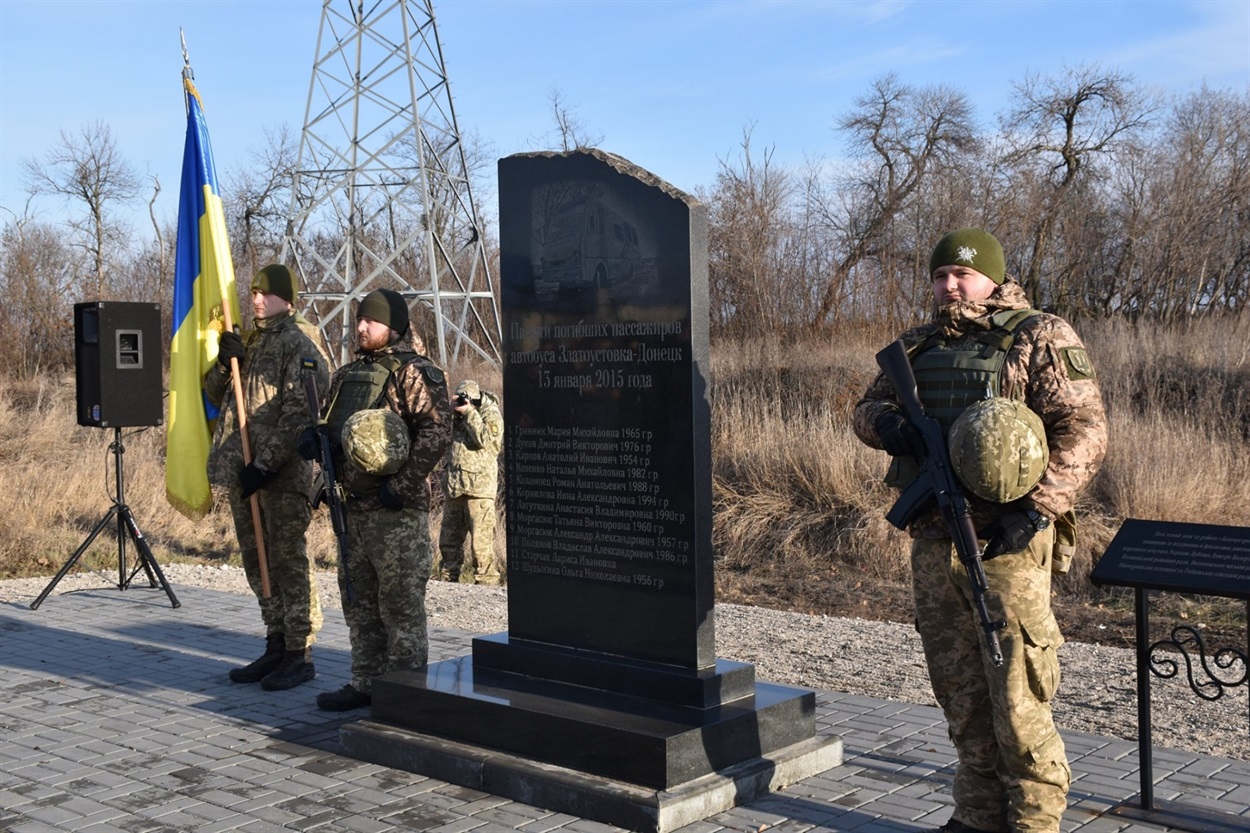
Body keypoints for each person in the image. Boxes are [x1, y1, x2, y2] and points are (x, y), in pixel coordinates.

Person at [853, 228, 1107, 833]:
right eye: (940, 276)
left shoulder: (1037, 334)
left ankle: (1034, 824)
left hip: (1008, 544)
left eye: (962, 275)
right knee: (961, 697)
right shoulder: (916, 346)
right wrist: (888, 425)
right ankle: (975, 818)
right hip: (935, 541)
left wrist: (1038, 508)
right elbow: (863, 409)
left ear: (991, 277)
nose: (949, 287)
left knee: (1019, 700)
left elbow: (1086, 428)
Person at [311, 288, 453, 712]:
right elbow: (337, 430)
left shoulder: (416, 373)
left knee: (400, 605)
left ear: (393, 326)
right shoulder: (346, 375)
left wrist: (403, 486)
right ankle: (366, 682)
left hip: (396, 514)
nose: (360, 327)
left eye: (369, 321)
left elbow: (436, 433)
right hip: (352, 510)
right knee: (359, 603)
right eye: (358, 319)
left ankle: (405, 693)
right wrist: (316, 445)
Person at [205, 263, 331, 691]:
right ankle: (274, 641)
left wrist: (264, 465)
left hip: (280, 474)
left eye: (265, 293)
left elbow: (301, 413)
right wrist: (225, 363)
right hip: (246, 471)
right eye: (254, 292)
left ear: (287, 299)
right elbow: (216, 394)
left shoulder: (300, 344)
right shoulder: (252, 341)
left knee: (286, 560)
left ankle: (300, 652)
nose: (256, 299)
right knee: (256, 561)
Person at [437, 379, 504, 585]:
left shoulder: (488, 413)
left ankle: (486, 584)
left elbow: (488, 441)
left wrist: (469, 413)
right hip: (455, 487)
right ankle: (448, 581)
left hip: (479, 489)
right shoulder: (455, 416)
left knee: (480, 546)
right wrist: (448, 411)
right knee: (449, 542)